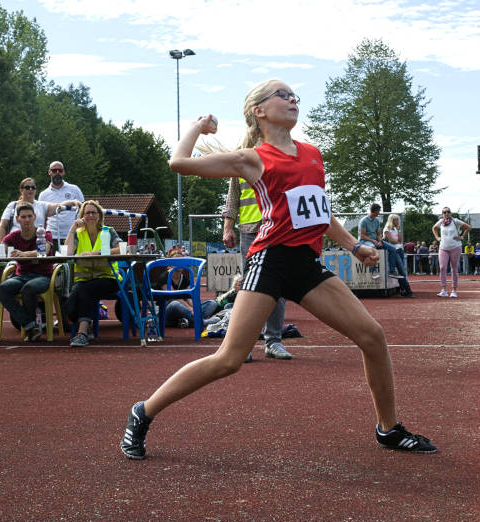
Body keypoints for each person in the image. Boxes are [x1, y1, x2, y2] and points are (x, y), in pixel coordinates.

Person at [120, 80, 436, 460]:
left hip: (305, 263)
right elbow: (178, 163)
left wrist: (354, 246)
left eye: (294, 96)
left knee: (372, 336)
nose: (292, 100)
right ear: (260, 111)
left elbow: (321, 213)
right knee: (229, 359)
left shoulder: (313, 155)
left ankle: (388, 429)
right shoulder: (252, 158)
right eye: (282, 95)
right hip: (269, 261)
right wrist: (198, 126)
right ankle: (144, 411)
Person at [222, 170, 292, 360]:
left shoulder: (280, 155)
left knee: (278, 283)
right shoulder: (241, 158)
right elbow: (233, 197)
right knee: (249, 286)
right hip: (249, 229)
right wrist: (227, 227)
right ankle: (244, 345)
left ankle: (273, 341)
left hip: (277, 226)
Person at [0, 202, 54, 342]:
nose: (26, 219)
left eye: (29, 216)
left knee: (29, 288)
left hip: (43, 276)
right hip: (21, 276)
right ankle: (30, 325)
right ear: (17, 219)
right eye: (23, 217)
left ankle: (31, 325)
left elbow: (44, 250)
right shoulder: (13, 236)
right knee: (1, 289)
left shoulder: (44, 233)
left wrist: (24, 254)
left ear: (35, 217)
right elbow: (1, 247)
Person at [65, 200, 123, 347]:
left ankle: (82, 334)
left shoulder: (108, 231)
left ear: (99, 215)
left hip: (108, 278)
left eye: (93, 212)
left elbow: (122, 248)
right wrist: (73, 228)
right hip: (83, 279)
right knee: (70, 305)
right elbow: (68, 252)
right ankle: (88, 325)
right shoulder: (78, 234)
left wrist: (97, 252)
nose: (90, 215)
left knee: (86, 291)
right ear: (82, 216)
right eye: (87, 213)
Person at [0, 177, 81, 243]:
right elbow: (2, 226)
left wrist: (73, 202)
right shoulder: (13, 205)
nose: (31, 189)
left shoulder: (42, 205)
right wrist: (1, 248)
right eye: (27, 187)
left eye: (33, 187)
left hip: (36, 244)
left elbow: (59, 206)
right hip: (15, 243)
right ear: (21, 190)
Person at [39, 161, 84, 250]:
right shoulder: (43, 194)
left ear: (63, 172)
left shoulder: (75, 189)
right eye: (54, 170)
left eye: (60, 170)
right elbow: (42, 217)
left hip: (73, 234)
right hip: (52, 237)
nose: (57, 173)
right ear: (49, 172)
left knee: (73, 263)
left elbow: (83, 210)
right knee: (54, 263)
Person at [432, 207, 470, 298]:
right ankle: (444, 290)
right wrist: (437, 238)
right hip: (443, 248)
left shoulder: (455, 221)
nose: (446, 213)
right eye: (444, 212)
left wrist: (461, 237)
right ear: (442, 214)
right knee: (442, 267)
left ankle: (454, 290)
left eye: (448, 212)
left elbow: (468, 227)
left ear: (451, 213)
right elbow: (434, 228)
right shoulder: (441, 222)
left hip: (455, 247)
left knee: (454, 268)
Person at [358, 203, 397, 279]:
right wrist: (373, 241)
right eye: (379, 211)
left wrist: (379, 240)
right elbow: (362, 235)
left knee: (392, 248)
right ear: (375, 211)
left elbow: (378, 233)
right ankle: (373, 271)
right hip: (364, 241)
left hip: (374, 240)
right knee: (372, 247)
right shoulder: (364, 221)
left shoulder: (376, 221)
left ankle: (392, 270)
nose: (379, 212)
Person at [382, 214, 413, 297]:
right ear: (391, 220)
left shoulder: (396, 229)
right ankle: (408, 290)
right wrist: (397, 241)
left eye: (397, 220)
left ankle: (403, 289)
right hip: (394, 251)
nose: (397, 221)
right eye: (395, 220)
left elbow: (400, 240)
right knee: (402, 271)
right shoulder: (386, 229)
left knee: (401, 271)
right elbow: (391, 241)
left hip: (400, 250)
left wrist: (398, 232)